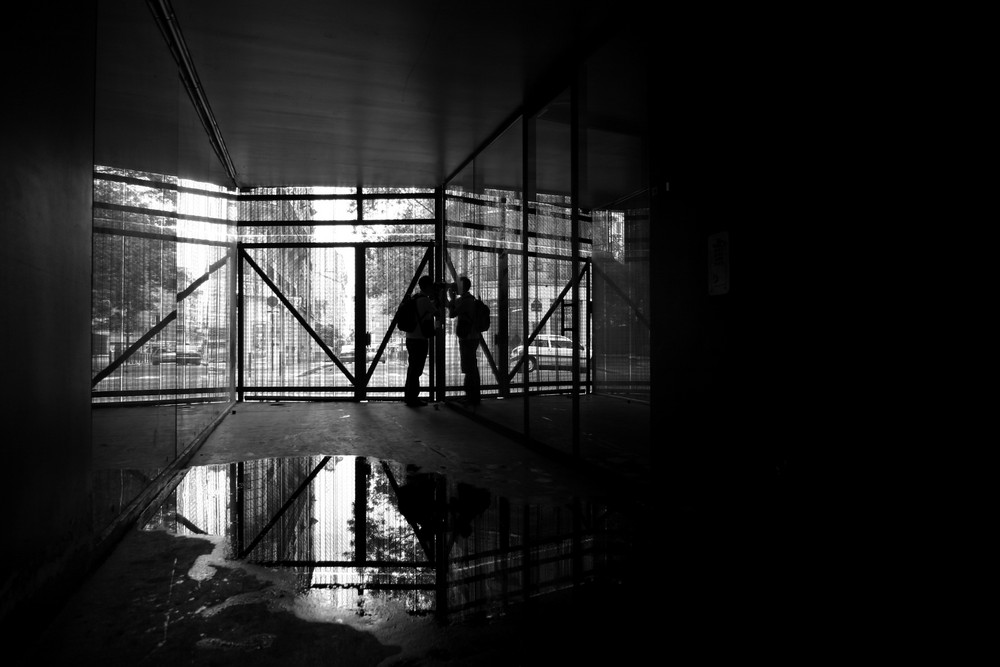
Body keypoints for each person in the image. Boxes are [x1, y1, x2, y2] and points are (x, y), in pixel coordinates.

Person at [404, 275, 441, 407]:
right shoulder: (425, 301)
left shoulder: (415, 298)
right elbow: (438, 314)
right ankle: (413, 398)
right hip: (420, 340)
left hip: (410, 338)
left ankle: (409, 396)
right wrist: (438, 298)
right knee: (417, 370)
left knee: (412, 368)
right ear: (428, 286)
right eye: (432, 286)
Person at [447, 275, 481, 406]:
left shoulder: (465, 300)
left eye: (458, 285)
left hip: (467, 338)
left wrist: (451, 298)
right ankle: (473, 396)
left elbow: (452, 314)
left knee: (469, 367)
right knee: (471, 366)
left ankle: (471, 397)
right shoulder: (470, 299)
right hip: (473, 337)